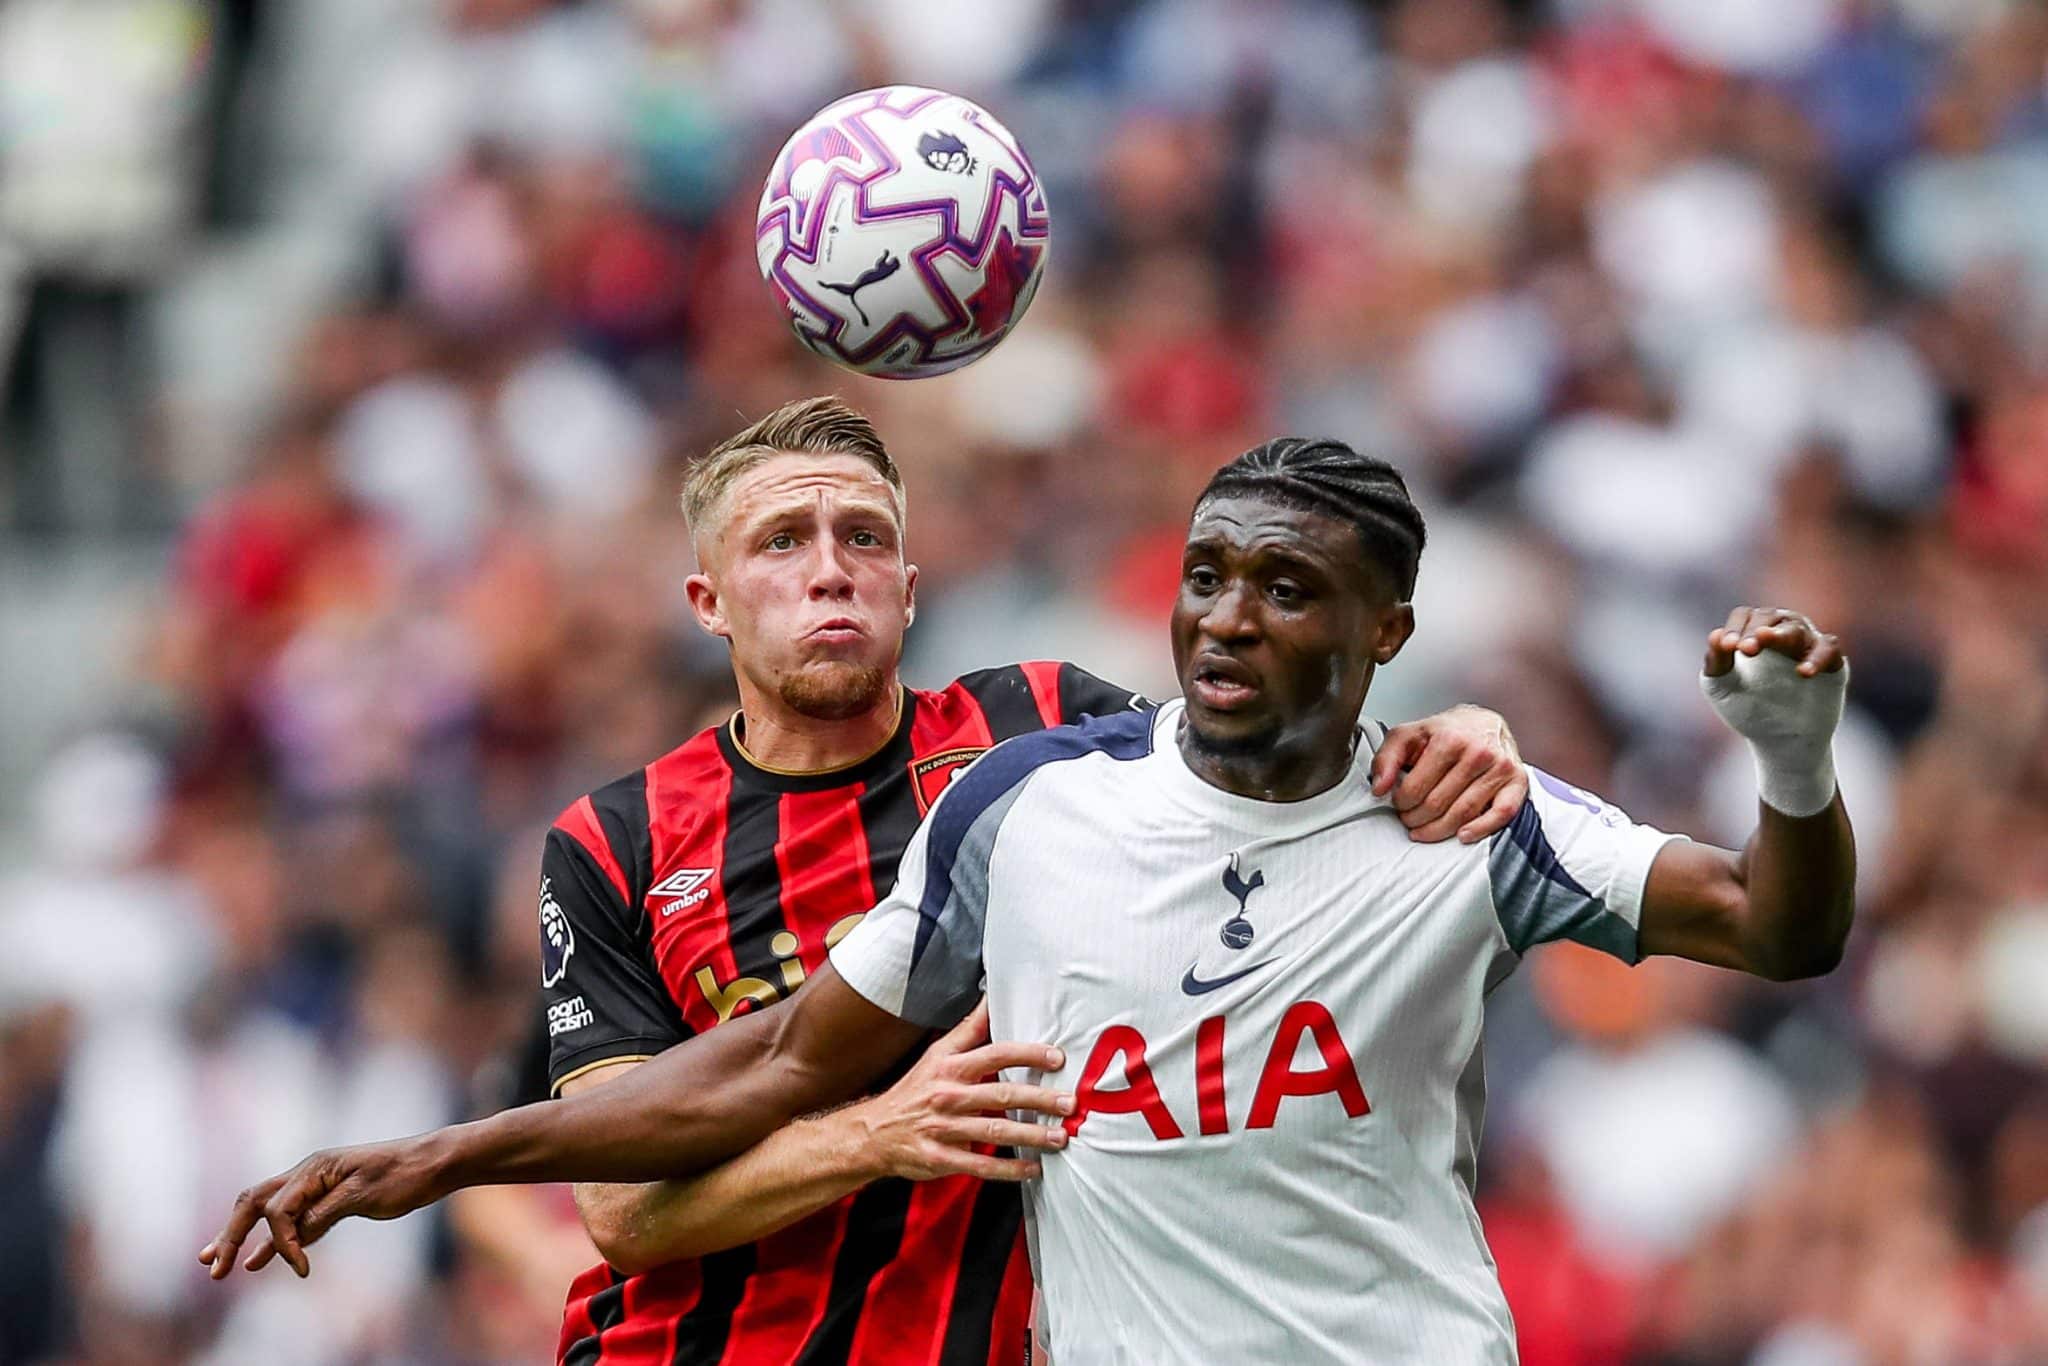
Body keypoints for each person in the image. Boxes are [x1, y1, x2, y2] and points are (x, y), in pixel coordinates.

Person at [201, 402, 1530, 1365]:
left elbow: (1275, 761)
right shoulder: (615, 841)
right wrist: (879, 1132)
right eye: (782, 540)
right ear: (709, 601)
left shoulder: (1039, 732)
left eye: (863, 535)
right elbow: (624, 1218)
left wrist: (1449, 728)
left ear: (908, 583)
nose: (829, 565)